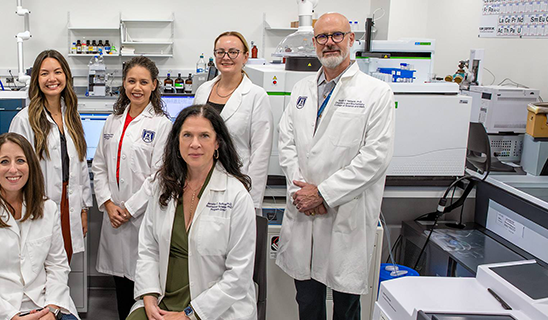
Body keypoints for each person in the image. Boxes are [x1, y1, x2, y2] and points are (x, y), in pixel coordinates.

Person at [276, 12, 396, 320]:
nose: (329, 43)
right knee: (307, 301)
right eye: (322, 37)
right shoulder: (301, 89)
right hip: (304, 211)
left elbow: (376, 157)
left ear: (351, 39)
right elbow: (286, 143)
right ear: (314, 42)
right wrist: (302, 192)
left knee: (345, 307)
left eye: (336, 35)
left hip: (345, 213)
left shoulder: (375, 93)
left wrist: (324, 194)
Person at [128, 105, 257, 320]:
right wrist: (148, 295)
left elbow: (238, 275)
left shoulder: (236, 195)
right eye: (187, 135)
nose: (194, 144)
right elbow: (148, 248)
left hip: (215, 307)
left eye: (204, 136)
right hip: (163, 297)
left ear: (217, 143)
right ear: (177, 142)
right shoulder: (164, 186)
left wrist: (189, 314)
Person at [0, 133, 79, 320]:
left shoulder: (47, 208)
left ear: (31, 166)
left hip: (43, 304)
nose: (13, 169)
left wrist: (51, 308)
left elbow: (57, 265)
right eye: (4, 161)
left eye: (20, 160)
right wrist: (12, 316)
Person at [92, 56, 173, 320]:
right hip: (113, 214)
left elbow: (159, 175)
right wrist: (107, 203)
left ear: (154, 85)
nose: (136, 87)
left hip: (142, 217)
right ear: (124, 84)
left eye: (143, 82)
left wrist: (128, 208)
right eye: (131, 81)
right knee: (121, 287)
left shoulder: (161, 124)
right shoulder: (112, 121)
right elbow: (100, 165)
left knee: (145, 286)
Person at [9, 49, 91, 261]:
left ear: (66, 76)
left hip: (68, 202)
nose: (52, 79)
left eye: (57, 72)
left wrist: (83, 209)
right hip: (36, 203)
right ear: (36, 79)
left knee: (62, 265)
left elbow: (80, 165)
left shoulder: (72, 116)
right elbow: (14, 171)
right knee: (37, 266)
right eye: (44, 73)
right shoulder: (24, 120)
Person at [194, 31, 273, 215]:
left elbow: (261, 152)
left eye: (233, 52)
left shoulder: (256, 95)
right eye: (220, 52)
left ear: (245, 56)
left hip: (237, 185)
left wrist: (252, 201)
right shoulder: (203, 90)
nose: (226, 57)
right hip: (201, 181)